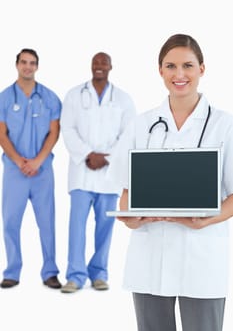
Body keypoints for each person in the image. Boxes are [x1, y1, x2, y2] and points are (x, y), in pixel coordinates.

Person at [109, 34, 233, 331]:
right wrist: (130, 217)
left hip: (201, 255)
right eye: (171, 66)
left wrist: (205, 220)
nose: (179, 74)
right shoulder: (142, 123)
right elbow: (125, 192)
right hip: (150, 255)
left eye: (188, 65)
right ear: (160, 70)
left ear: (202, 69)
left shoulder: (224, 125)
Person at [60, 52, 136, 293]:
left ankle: (99, 273)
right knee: (77, 227)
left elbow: (128, 134)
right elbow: (67, 128)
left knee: (105, 226)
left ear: (111, 66)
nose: (99, 66)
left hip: (108, 175)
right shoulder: (74, 95)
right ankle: (75, 275)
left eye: (103, 62)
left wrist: (107, 157)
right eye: (96, 62)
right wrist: (87, 155)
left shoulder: (123, 99)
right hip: (82, 173)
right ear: (91, 66)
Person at [0, 48, 62, 289]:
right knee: (11, 221)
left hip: (42, 171)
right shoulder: (5, 98)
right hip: (15, 171)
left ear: (37, 66)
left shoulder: (49, 98)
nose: (28, 66)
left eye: (32, 63)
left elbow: (54, 132)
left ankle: (50, 272)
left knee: (47, 222)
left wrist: (37, 161)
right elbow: (2, 134)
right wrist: (18, 161)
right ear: (16, 65)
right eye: (24, 62)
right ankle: (12, 271)